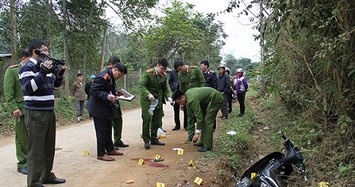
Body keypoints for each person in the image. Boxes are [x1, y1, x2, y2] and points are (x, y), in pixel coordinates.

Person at [19, 39, 66, 186]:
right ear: (35, 51)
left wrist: (58, 77)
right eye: (44, 50)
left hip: (48, 111)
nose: (47, 53)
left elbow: (54, 87)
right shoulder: (27, 67)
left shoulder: (44, 67)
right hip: (35, 113)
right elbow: (29, 88)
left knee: (48, 146)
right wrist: (43, 72)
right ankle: (34, 181)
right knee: (36, 149)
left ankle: (46, 176)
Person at [86, 63, 127, 161]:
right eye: (119, 75)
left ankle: (110, 149)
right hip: (98, 108)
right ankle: (101, 153)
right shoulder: (103, 76)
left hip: (105, 107)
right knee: (101, 131)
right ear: (115, 70)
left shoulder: (111, 77)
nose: (119, 77)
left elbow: (108, 89)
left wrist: (116, 94)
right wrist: (107, 96)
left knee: (108, 129)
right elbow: (94, 91)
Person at [172, 87, 224, 152]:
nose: (180, 104)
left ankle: (208, 146)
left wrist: (197, 133)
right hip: (208, 101)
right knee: (205, 120)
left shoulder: (192, 100)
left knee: (208, 121)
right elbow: (190, 116)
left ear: (183, 97)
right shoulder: (188, 96)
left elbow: (199, 117)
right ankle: (203, 142)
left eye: (179, 102)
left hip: (215, 99)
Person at [3, 49, 30, 175]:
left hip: (32, 109)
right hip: (20, 110)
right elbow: (9, 92)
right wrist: (14, 108)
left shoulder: (32, 71)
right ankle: (22, 163)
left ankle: (31, 161)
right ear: (24, 59)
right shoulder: (13, 71)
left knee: (31, 137)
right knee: (21, 137)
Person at [139, 58, 170, 149]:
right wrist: (148, 94)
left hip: (158, 100)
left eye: (165, 69)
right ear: (157, 66)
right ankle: (146, 140)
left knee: (157, 119)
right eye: (162, 68)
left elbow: (165, 89)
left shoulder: (164, 76)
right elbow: (142, 85)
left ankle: (153, 138)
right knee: (147, 119)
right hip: (147, 100)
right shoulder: (148, 73)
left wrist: (168, 96)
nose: (163, 71)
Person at [174, 58, 205, 142]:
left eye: (180, 69)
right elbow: (181, 89)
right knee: (189, 117)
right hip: (188, 99)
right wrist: (181, 102)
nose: (180, 71)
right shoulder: (180, 75)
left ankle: (202, 137)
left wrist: (201, 95)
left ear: (184, 65)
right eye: (178, 70)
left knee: (200, 116)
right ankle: (190, 135)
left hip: (199, 98)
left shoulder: (195, 70)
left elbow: (202, 82)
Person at [106, 56, 129, 149]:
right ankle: (109, 143)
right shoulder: (105, 74)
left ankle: (117, 140)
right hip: (108, 102)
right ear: (111, 65)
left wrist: (117, 92)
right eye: (116, 65)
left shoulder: (114, 75)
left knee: (118, 120)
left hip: (114, 101)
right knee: (109, 123)